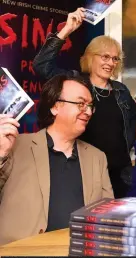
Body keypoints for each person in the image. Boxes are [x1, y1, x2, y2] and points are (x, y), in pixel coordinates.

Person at [33, 8, 136, 198]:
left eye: (115, 58)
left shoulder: (121, 91)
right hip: (84, 170)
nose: (111, 63)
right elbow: (41, 66)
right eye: (105, 56)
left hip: (121, 176)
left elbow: (133, 126)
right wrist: (67, 29)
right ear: (91, 57)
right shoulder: (76, 83)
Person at [0, 72, 113, 245]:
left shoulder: (97, 158)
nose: (88, 111)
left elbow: (108, 217)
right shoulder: (16, 146)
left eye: (91, 105)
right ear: (55, 106)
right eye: (81, 104)